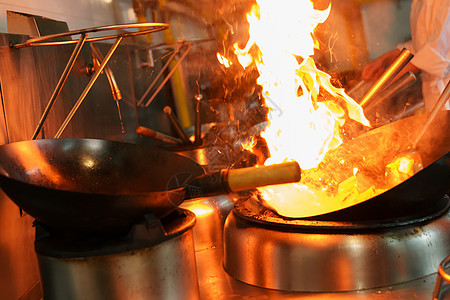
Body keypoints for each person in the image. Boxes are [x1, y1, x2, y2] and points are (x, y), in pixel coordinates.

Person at [361, 0, 449, 111]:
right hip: (434, 93)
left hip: (446, 91)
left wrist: (381, 86)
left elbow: (434, 54)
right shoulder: (420, 2)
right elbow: (420, 44)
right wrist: (384, 59)